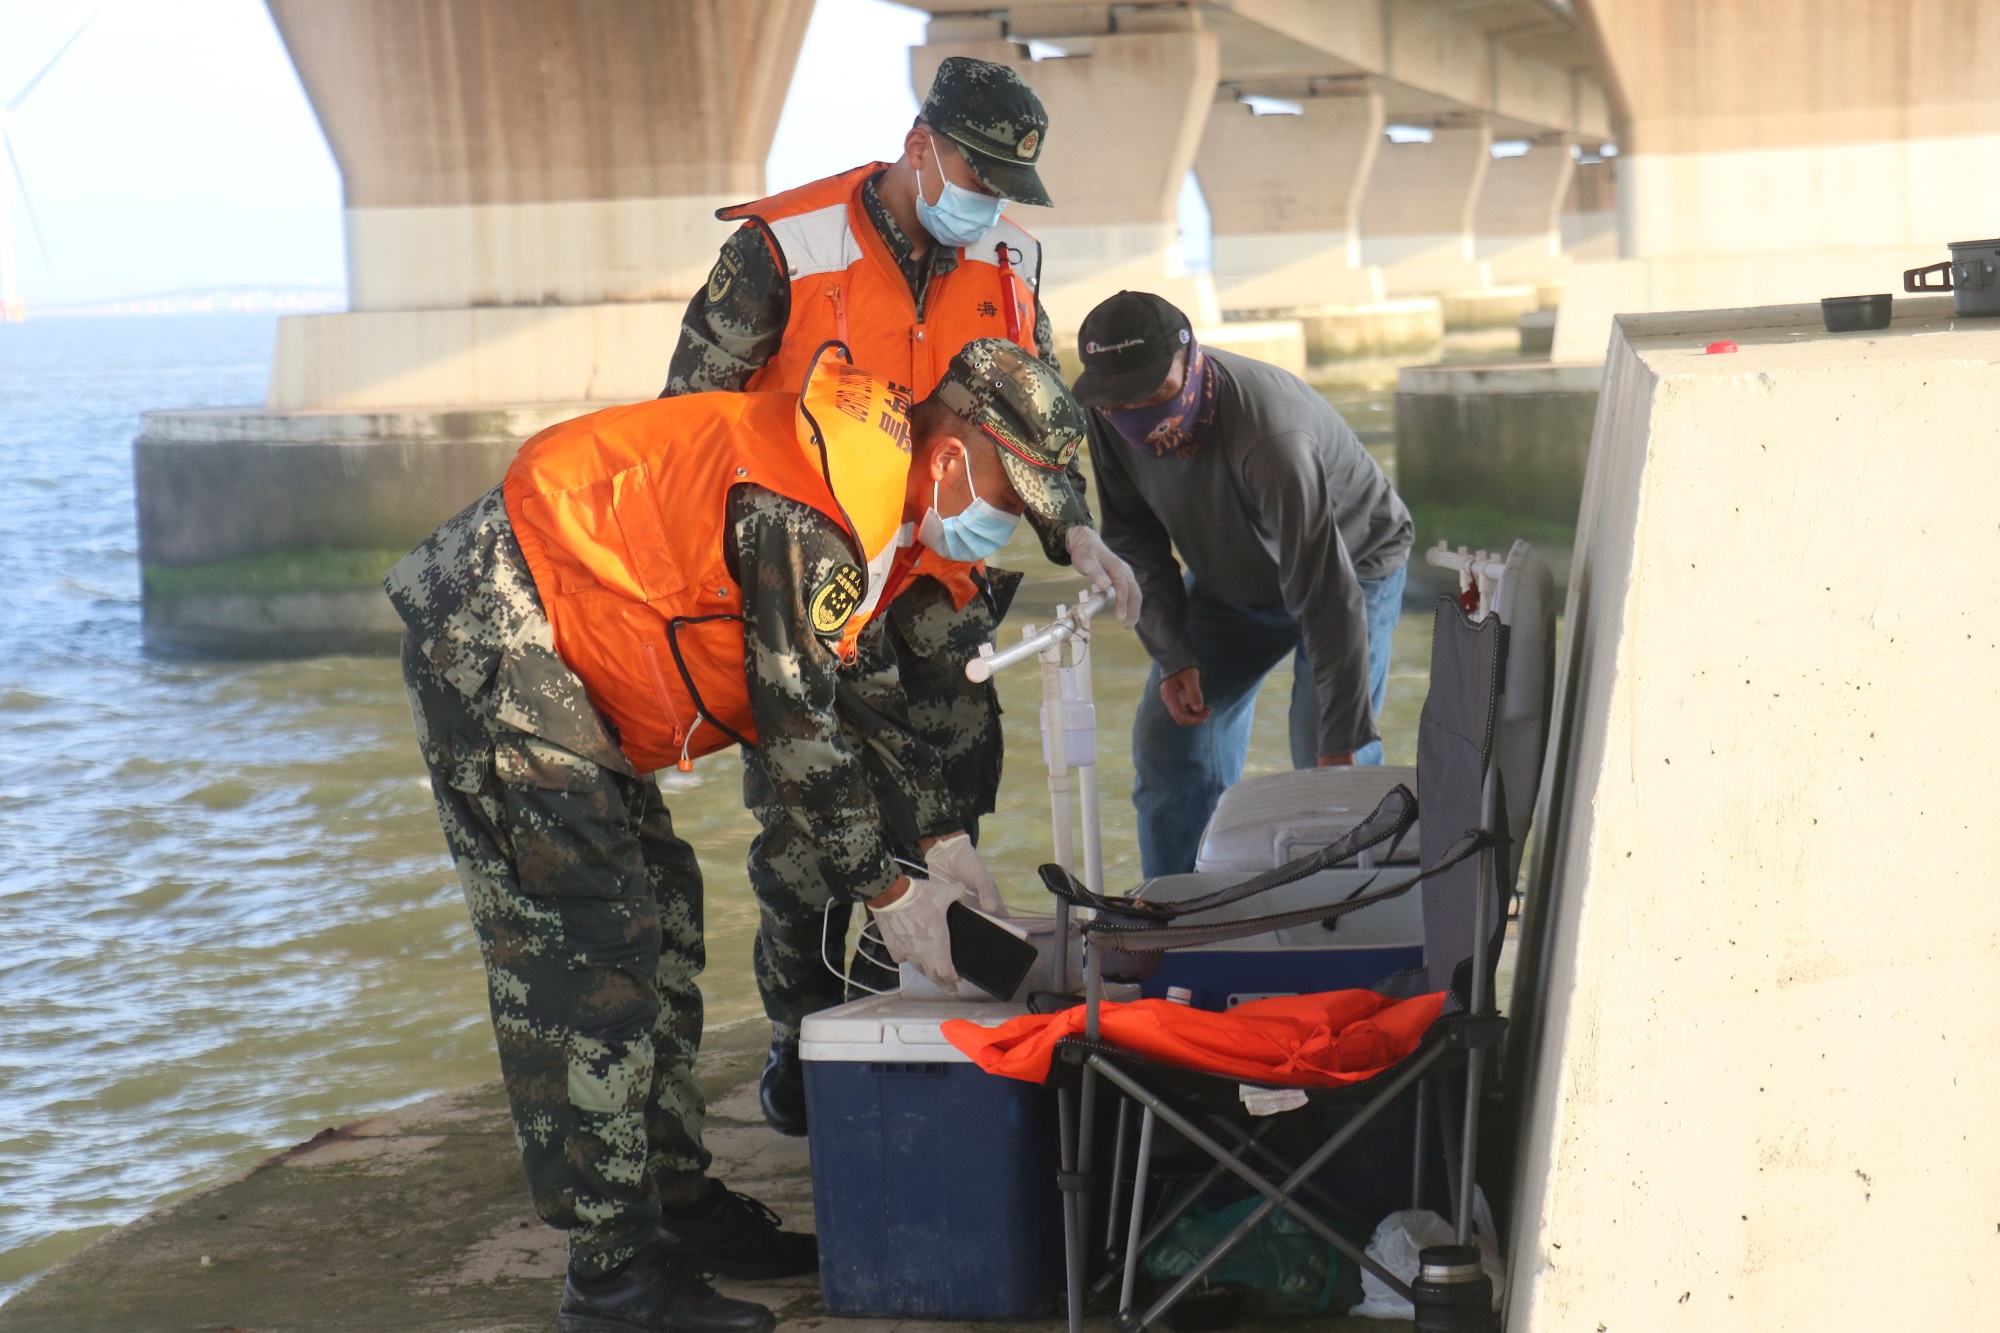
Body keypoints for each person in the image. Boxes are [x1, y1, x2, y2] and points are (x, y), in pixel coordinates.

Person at [386, 339, 1094, 1333]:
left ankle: (676, 1201)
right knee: (590, 945)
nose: (999, 522)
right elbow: (797, 729)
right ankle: (614, 1276)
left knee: (665, 912)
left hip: (567, 637)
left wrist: (937, 840)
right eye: (1003, 496)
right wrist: (888, 896)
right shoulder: (811, 513)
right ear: (947, 459)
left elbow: (854, 684)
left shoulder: (869, 485)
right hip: (501, 626)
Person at [663, 54, 1138, 1136]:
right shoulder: (781, 250)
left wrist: (1075, 529)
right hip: (805, 577)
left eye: (1008, 184)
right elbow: (688, 420)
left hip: (942, 595)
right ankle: (800, 1033)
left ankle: (907, 1016)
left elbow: (1031, 417)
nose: (988, 204)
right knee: (803, 835)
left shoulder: (1009, 259)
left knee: (944, 826)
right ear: (919, 145)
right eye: (977, 174)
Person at [1070, 291, 1415, 878]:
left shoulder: (1271, 437)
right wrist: (1172, 651)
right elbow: (1135, 537)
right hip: (1232, 575)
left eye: (1154, 393)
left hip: (1350, 564)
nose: (1138, 417)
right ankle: (1185, 912)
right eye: (1118, 402)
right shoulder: (1110, 415)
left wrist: (1340, 737)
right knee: (1166, 741)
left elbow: (1327, 596)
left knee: (1328, 757)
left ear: (1192, 359)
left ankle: (1353, 911)